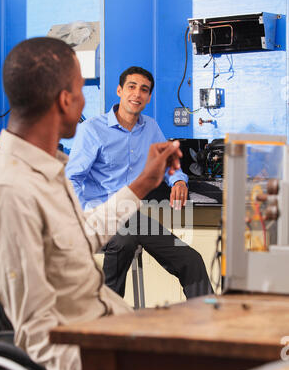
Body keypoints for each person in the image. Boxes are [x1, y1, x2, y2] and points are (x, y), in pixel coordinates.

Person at [0, 37, 198, 370]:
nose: (87, 101)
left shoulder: (47, 169)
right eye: (82, 89)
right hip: (100, 363)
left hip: (116, 331)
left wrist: (142, 185)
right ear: (65, 100)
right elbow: (36, 332)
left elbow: (80, 239)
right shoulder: (11, 191)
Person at [66, 67, 213, 300]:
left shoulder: (150, 127)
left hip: (133, 219)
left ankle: (208, 325)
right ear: (119, 90)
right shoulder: (92, 129)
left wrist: (178, 182)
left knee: (191, 260)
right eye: (131, 87)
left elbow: (169, 165)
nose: (137, 94)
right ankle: (105, 321)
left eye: (144, 90)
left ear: (149, 97)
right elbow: (71, 178)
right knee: (124, 241)